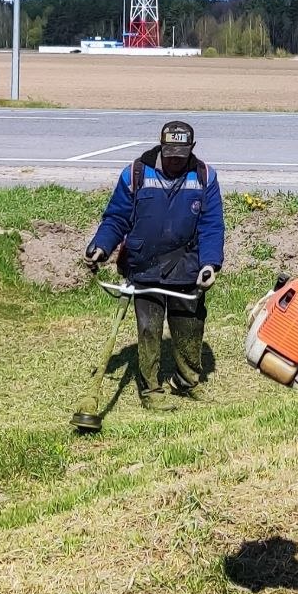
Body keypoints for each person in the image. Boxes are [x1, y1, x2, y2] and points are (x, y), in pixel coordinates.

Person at [84, 120, 224, 407]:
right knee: (149, 329)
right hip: (144, 264)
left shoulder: (204, 177)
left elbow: (212, 225)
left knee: (190, 327)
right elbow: (116, 218)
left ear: (191, 149)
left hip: (187, 264)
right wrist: (101, 247)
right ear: (161, 146)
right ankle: (150, 390)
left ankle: (186, 381)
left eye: (181, 154)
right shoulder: (136, 173)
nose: (174, 159)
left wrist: (210, 263)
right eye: (170, 152)